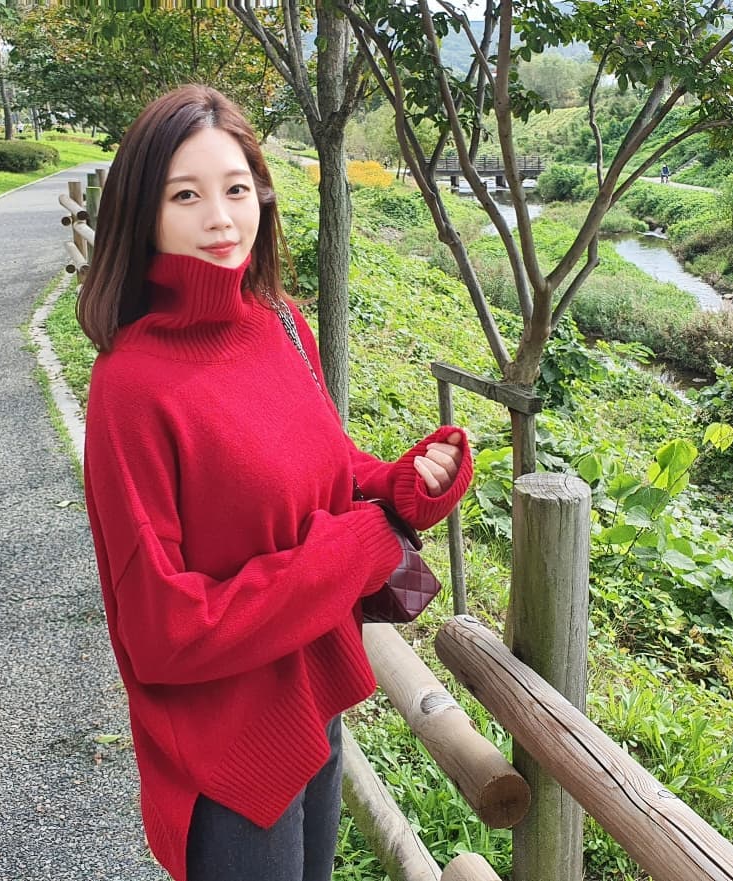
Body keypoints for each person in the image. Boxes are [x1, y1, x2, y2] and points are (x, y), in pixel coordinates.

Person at [74, 85, 474, 881]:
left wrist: (401, 485)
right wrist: (359, 547)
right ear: (142, 213)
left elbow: (325, 467)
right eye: (185, 196)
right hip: (227, 760)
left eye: (235, 188)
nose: (221, 218)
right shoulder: (132, 387)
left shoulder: (281, 322)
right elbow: (163, 630)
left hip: (311, 706)